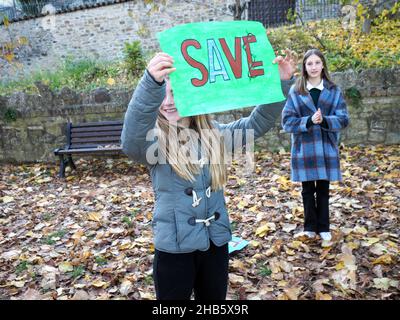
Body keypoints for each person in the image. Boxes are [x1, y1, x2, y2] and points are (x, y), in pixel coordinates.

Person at [121, 50, 296, 300]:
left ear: (193, 95)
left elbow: (256, 124)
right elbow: (131, 141)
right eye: (163, 94)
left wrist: (279, 83)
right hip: (174, 249)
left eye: (176, 93)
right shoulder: (154, 143)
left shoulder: (215, 134)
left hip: (216, 243)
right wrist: (151, 84)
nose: (168, 102)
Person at [281, 48, 349, 242]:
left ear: (323, 65)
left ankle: (324, 226)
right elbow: (286, 121)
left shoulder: (333, 90)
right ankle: (310, 226)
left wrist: (325, 121)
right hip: (305, 149)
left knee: (324, 190)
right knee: (307, 190)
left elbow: (344, 119)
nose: (313, 67)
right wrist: (308, 121)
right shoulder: (296, 90)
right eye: (309, 63)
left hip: (326, 148)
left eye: (317, 63)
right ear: (304, 66)